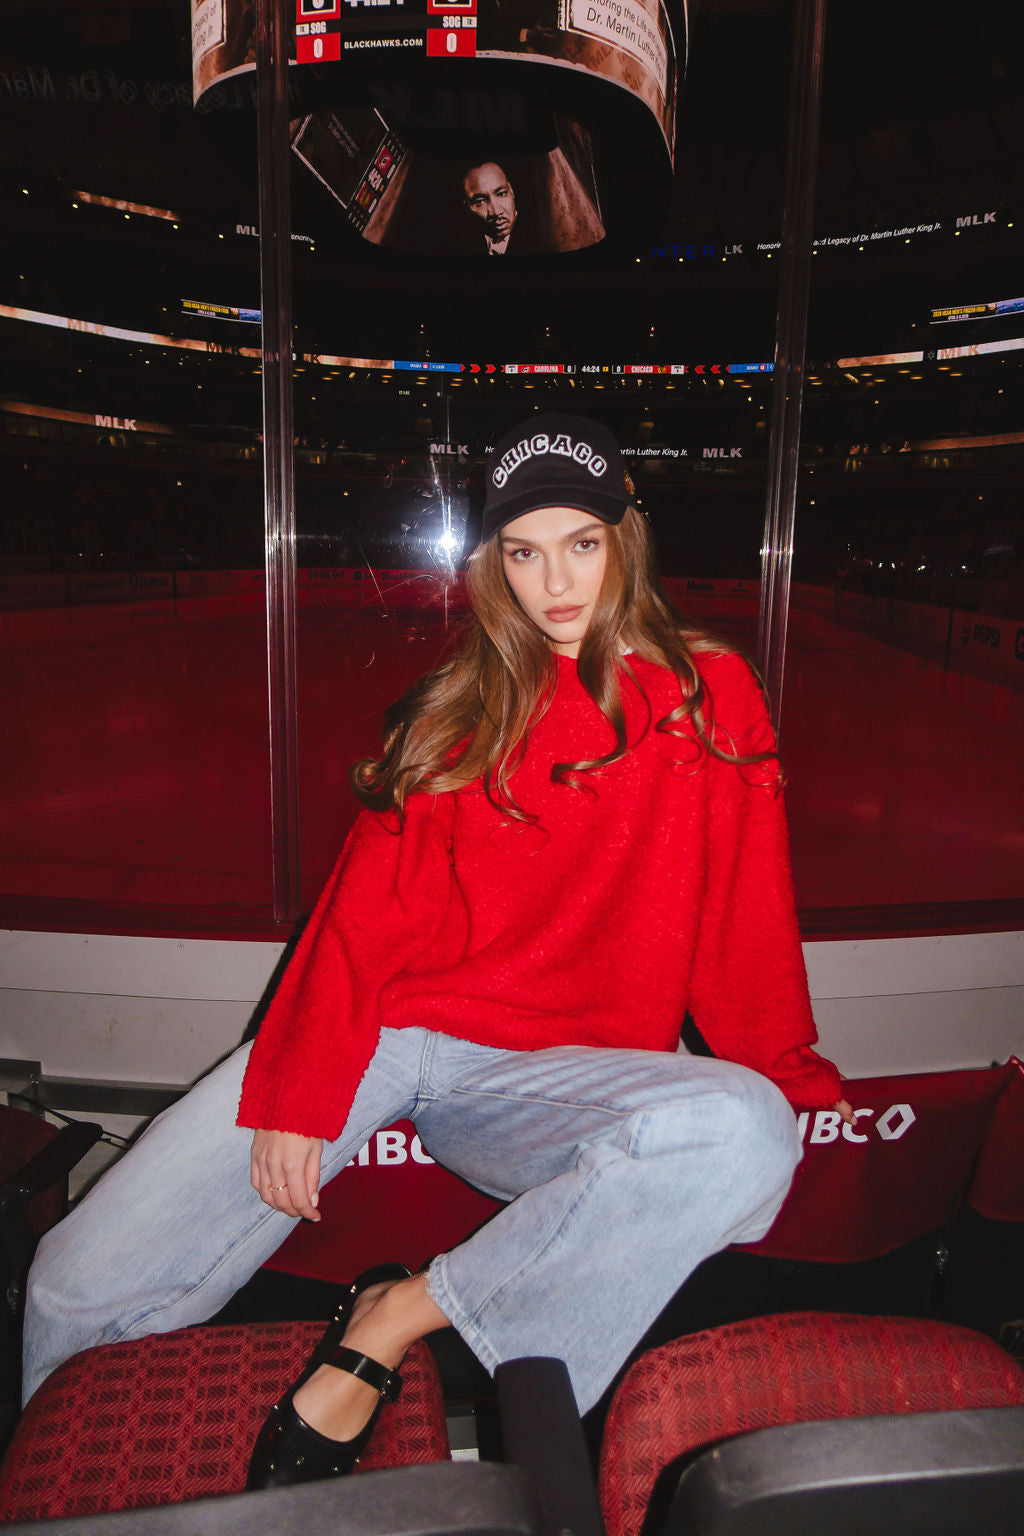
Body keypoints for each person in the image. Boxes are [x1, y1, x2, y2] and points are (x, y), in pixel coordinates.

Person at [24, 412, 851, 1490]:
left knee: (743, 1134)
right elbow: (360, 918)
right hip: (392, 1033)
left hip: (547, 1081)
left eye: (581, 544)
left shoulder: (707, 699)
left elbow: (745, 914)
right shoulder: (465, 709)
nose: (554, 580)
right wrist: (303, 1089)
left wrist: (787, 1074)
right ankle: (71, 1488)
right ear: (492, 566)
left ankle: (399, 1312)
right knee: (70, 1278)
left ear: (624, 541)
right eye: (523, 552)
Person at [462, 161, 517, 253]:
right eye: (480, 201)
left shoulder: (543, 235)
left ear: (511, 190)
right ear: (466, 206)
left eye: (501, 194)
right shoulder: (463, 245)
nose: (496, 212)